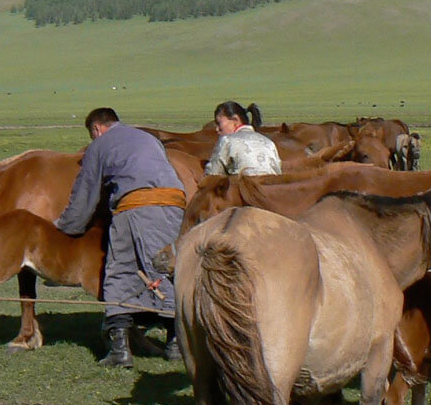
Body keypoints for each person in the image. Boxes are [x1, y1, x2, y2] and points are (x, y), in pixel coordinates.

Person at [56, 107, 187, 368]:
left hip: (137, 205)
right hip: (175, 203)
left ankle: (123, 349)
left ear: (96, 129)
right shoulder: (147, 138)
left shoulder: (100, 145)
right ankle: (176, 342)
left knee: (121, 270)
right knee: (171, 266)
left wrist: (66, 226)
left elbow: (86, 192)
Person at [204, 101, 281, 176]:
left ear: (235, 120)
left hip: (244, 187)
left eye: (219, 123)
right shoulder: (269, 143)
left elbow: (213, 175)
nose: (217, 129)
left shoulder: (227, 141)